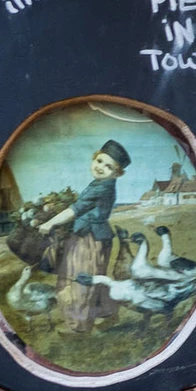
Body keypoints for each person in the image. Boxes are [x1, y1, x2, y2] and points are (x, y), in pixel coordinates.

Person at [44, 139, 131, 331]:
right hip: (95, 236)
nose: (100, 167)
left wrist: (50, 222)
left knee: (80, 278)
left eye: (108, 166)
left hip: (89, 239)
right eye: (99, 161)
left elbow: (75, 210)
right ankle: (106, 313)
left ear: (117, 173)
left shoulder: (103, 187)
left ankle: (79, 326)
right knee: (96, 276)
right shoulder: (99, 183)